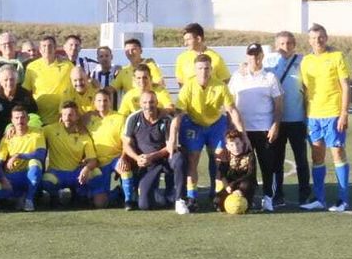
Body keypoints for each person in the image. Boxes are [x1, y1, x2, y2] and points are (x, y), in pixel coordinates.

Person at [172, 53, 246, 214]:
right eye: (200, 68)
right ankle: (192, 197)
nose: (204, 71)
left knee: (219, 158)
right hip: (193, 124)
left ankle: (217, 193)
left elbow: (232, 110)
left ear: (211, 69)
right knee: (192, 159)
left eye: (207, 68)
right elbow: (177, 115)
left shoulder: (220, 86)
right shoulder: (188, 86)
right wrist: (172, 138)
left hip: (216, 124)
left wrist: (242, 133)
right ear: (195, 69)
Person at [299, 23, 352, 212]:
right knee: (317, 155)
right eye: (313, 38)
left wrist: (344, 113)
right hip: (313, 116)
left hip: (333, 114)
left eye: (320, 37)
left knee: (337, 153)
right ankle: (319, 198)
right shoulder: (306, 61)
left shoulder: (337, 57)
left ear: (326, 37)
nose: (317, 41)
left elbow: (345, 86)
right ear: (309, 41)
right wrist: (305, 115)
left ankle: (343, 199)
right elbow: (306, 90)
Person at [228, 43, 283, 212]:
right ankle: (246, 198)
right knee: (245, 169)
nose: (255, 58)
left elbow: (279, 106)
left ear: (262, 56)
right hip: (243, 131)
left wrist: (275, 125)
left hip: (264, 129)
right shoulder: (237, 76)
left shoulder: (270, 78)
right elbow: (229, 103)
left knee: (268, 166)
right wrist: (231, 128)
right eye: (251, 55)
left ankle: (268, 198)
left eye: (257, 55)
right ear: (247, 57)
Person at [267, 31, 310, 206]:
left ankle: (304, 194)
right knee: (277, 160)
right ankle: (278, 196)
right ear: (276, 45)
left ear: (294, 44)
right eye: (282, 43)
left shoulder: (303, 61)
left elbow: (308, 89)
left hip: (297, 119)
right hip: (276, 121)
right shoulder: (268, 61)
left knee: (301, 159)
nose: (286, 47)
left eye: (290, 43)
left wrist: (308, 117)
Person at [43, 100, 108, 208]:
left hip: (75, 173)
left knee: (96, 173)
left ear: (77, 116)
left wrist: (86, 169)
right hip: (57, 173)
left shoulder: (84, 136)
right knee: (46, 181)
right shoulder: (50, 130)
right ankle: (55, 197)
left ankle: (81, 194)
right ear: (61, 116)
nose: (67, 117)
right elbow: (31, 131)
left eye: (70, 114)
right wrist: (10, 127)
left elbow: (93, 160)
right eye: (64, 115)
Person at [121, 90, 175, 211]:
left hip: (161, 161)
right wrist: (137, 158)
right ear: (140, 104)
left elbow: (170, 146)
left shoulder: (167, 120)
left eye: (151, 102)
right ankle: (139, 193)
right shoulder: (133, 118)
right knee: (144, 205)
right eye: (145, 102)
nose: (148, 105)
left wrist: (153, 156)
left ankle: (171, 192)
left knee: (178, 158)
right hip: (142, 162)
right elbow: (126, 144)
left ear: (156, 102)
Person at [0, 104, 47, 212]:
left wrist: (19, 155)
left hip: (30, 174)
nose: (20, 121)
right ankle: (18, 197)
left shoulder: (37, 133)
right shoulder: (7, 138)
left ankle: (29, 200)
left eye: (23, 117)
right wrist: (3, 179)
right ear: (12, 120)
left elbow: (41, 155)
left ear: (28, 119)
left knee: (35, 162)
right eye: (16, 118)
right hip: (13, 175)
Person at [86, 88, 128, 206]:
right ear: (94, 103)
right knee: (99, 203)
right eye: (99, 101)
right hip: (98, 163)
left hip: (116, 158)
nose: (102, 103)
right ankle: (117, 192)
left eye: (105, 100)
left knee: (125, 170)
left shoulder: (120, 118)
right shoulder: (88, 119)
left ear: (110, 102)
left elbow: (126, 142)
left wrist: (124, 158)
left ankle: (129, 198)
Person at [24, 35, 74, 126]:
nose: (47, 49)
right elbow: (25, 91)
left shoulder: (68, 66)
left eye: (50, 46)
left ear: (55, 48)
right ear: (39, 49)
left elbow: (76, 88)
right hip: (38, 119)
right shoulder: (32, 67)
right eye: (44, 46)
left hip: (61, 119)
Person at [0, 64, 37, 140]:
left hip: (21, 137)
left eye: (12, 79)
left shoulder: (25, 95)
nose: (9, 83)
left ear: (17, 80)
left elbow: (33, 117)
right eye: (6, 80)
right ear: (0, 81)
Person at [174, 23, 229, 89]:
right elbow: (180, 83)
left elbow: (225, 80)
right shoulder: (181, 58)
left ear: (198, 39)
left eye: (188, 40)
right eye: (185, 40)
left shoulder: (216, 58)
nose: (185, 44)